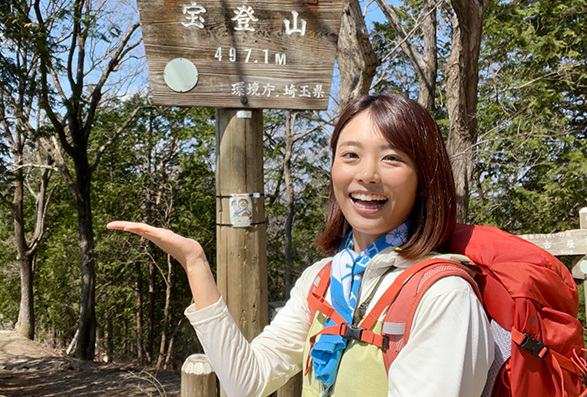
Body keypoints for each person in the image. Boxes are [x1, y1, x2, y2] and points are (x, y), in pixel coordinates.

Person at [107, 93, 495, 397]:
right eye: (351, 155)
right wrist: (195, 263)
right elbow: (247, 381)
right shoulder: (324, 279)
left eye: (392, 158)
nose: (367, 174)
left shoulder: (444, 296)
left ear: (424, 177)